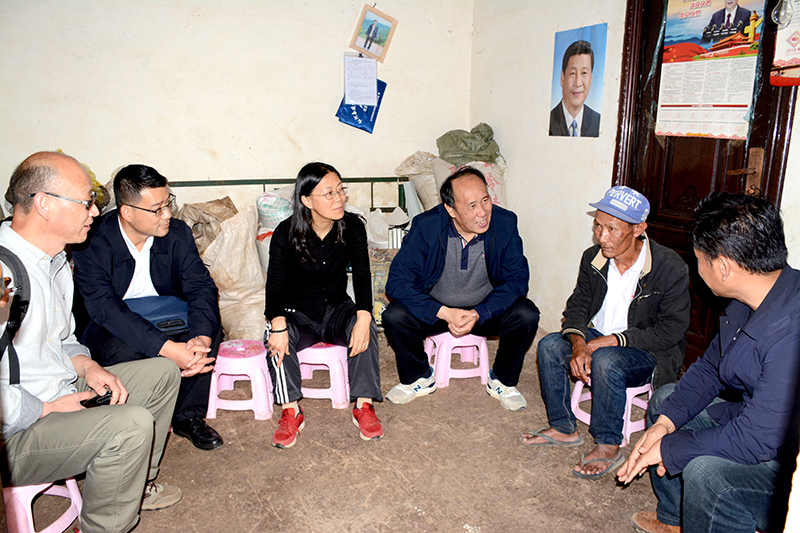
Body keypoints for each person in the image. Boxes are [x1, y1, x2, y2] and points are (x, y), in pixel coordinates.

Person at [0, 152, 182, 533]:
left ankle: (134, 486)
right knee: (130, 425)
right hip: (16, 430)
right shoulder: (5, 274)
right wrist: (48, 408)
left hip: (59, 387)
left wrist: (89, 367)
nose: (96, 212)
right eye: (86, 202)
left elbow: (63, 339)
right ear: (44, 204)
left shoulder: (55, 260)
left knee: (163, 373)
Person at [618, 193, 800, 533]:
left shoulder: (791, 330)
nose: (696, 267)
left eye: (699, 258)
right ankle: (675, 521)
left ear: (723, 267)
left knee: (709, 476)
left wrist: (672, 447)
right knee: (665, 403)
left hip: (786, 461)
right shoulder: (750, 298)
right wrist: (666, 424)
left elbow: (758, 440)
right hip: (756, 422)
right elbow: (709, 369)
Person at [521, 186, 690, 480]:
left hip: (647, 351)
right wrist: (579, 344)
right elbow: (577, 306)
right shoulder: (594, 258)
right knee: (549, 345)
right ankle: (563, 427)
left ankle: (608, 446)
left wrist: (614, 340)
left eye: (612, 229)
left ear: (638, 229)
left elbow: (670, 330)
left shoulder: (669, 267)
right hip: (597, 336)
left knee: (606, 360)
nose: (602, 236)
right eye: (598, 226)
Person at [72, 164, 223, 451]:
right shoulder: (93, 241)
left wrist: (201, 338)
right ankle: (130, 419)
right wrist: (168, 349)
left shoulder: (177, 233)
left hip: (164, 313)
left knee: (207, 329)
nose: (167, 215)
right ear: (127, 212)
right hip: (109, 323)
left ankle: (187, 417)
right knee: (124, 349)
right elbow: (106, 309)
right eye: (157, 209)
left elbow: (201, 286)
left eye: (168, 204)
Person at [383, 166, 540, 411]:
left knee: (526, 313)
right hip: (437, 312)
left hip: (484, 312)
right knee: (394, 315)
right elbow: (397, 282)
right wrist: (444, 312)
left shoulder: (505, 223)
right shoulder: (427, 227)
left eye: (485, 200)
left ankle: (502, 380)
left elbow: (517, 280)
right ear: (451, 210)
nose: (482, 212)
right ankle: (418, 377)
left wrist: (479, 312)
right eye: (471, 206)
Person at [264, 162, 383, 448]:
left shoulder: (352, 226)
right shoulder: (285, 232)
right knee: (274, 337)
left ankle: (363, 405)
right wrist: (277, 323)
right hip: (298, 314)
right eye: (329, 193)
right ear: (307, 200)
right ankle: (291, 410)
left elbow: (363, 274)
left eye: (341, 190)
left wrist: (365, 314)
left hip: (336, 309)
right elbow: (274, 284)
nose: (339, 198)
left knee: (364, 325)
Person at [549, 40, 601, 137]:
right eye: (572, 73)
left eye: (584, 73)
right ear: (562, 78)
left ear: (591, 78)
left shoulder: (598, 122)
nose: (578, 83)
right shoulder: (548, 122)